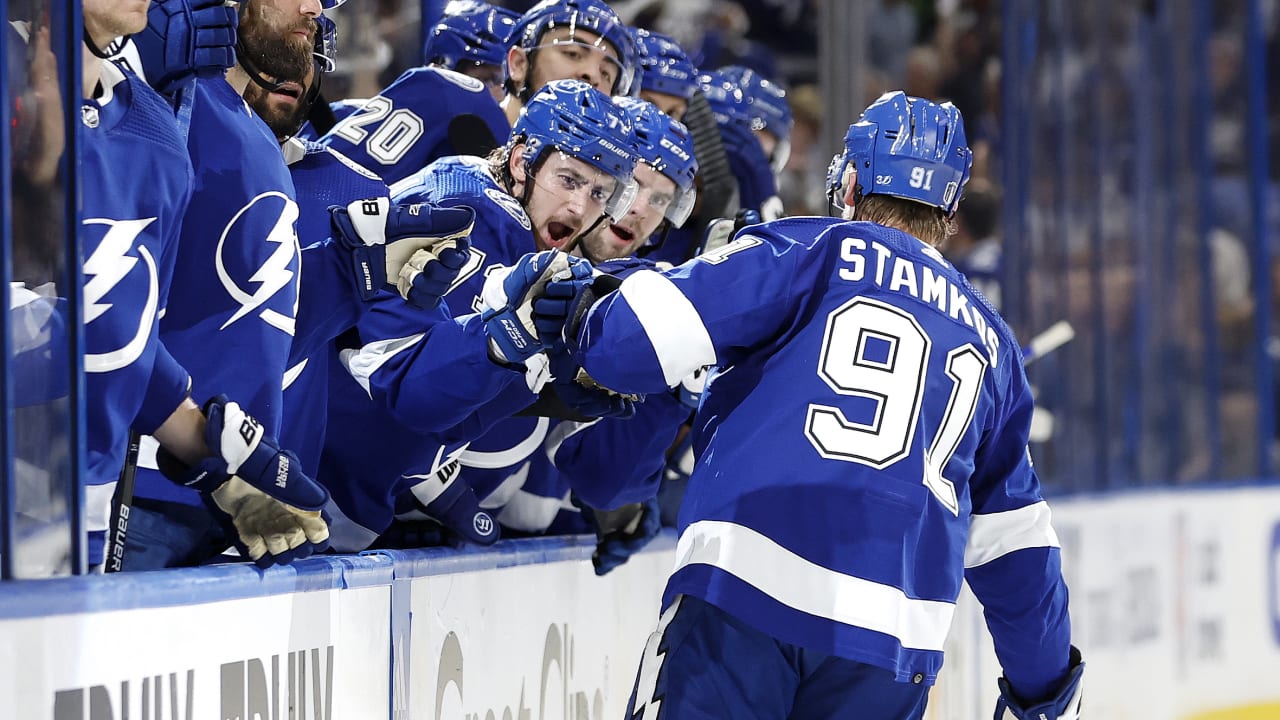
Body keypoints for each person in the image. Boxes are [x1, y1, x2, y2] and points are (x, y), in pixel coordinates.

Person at [528, 91, 1084, 719]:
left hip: (743, 595)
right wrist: (1047, 693)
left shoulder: (806, 252)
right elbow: (1017, 550)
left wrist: (589, 303)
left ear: (848, 183)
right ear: (950, 212)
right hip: (892, 646)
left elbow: (626, 345)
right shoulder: (994, 346)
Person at [120, 0, 472, 570]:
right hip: (146, 478)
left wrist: (355, 272)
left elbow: (236, 319)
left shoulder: (250, 140)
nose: (313, 7)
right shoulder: (169, 104)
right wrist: (198, 442)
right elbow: (114, 313)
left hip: (237, 481)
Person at [314, 78, 638, 550]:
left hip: (346, 497)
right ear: (521, 160)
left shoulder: (513, 231)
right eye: (569, 179)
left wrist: (543, 389)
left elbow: (446, 414)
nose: (579, 206)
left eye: (599, 193)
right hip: (317, 481)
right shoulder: (477, 211)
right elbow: (412, 392)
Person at [319, 0, 515, 185]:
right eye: (487, 80)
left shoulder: (341, 113)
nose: (499, 95)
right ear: (440, 69)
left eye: (507, 84)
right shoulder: (443, 93)